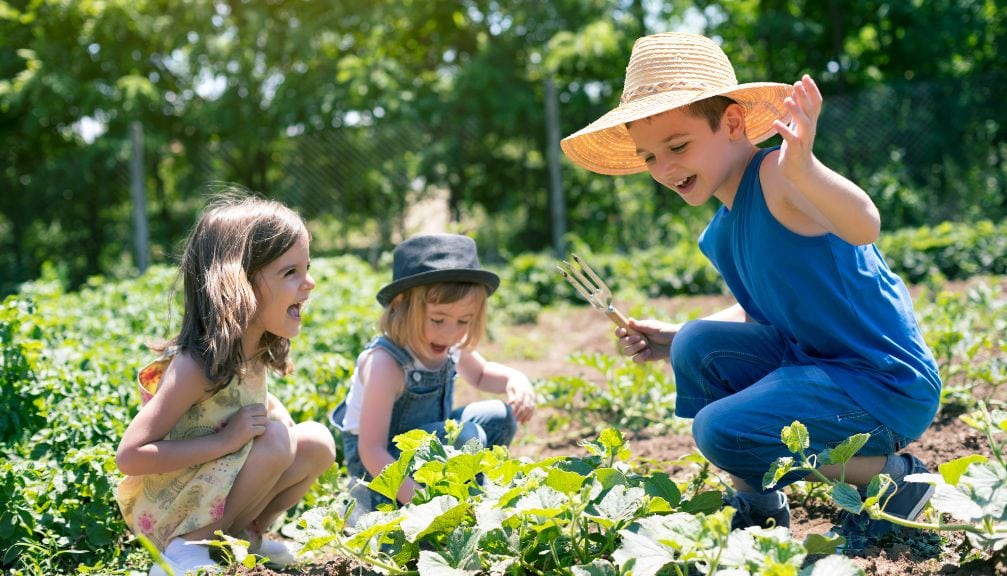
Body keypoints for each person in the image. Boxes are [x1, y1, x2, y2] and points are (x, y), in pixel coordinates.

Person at [560, 32, 941, 551]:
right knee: (697, 344)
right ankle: (760, 503)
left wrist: (805, 167)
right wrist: (671, 338)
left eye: (677, 146)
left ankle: (894, 479)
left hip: (881, 384)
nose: (665, 169)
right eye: (649, 157)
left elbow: (865, 224)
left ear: (734, 124)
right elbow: (763, 309)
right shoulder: (719, 232)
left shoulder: (779, 177)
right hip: (821, 370)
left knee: (720, 431)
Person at [115, 194, 336, 575]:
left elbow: (245, 408)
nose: (310, 283)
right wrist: (223, 441)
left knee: (316, 441)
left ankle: (245, 536)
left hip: (216, 491)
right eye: (291, 272)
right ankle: (184, 550)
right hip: (172, 507)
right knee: (278, 440)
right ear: (239, 284)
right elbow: (130, 456)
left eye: (307, 267)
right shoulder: (196, 365)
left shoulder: (255, 348)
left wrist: (271, 415)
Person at [330, 233, 536, 512]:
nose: (450, 332)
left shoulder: (449, 344)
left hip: (427, 451)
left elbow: (481, 374)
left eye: (464, 321)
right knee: (465, 436)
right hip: (380, 470)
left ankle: (469, 498)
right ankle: (370, 504)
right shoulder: (386, 364)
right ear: (401, 306)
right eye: (438, 319)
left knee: (501, 417)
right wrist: (424, 506)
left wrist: (516, 379)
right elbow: (371, 451)